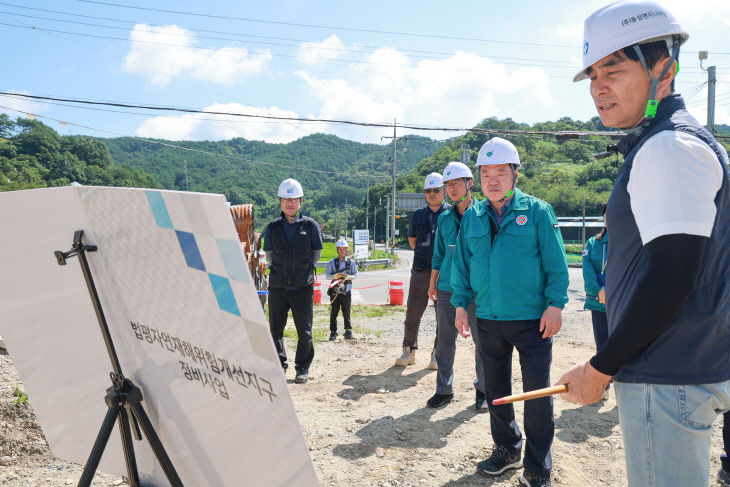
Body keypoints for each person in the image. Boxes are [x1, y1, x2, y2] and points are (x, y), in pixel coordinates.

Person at [557, 2, 730, 486]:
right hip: (681, 364)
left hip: (665, 373)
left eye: (614, 67)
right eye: (592, 73)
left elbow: (673, 275)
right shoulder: (676, 143)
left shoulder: (669, 147)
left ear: (665, 70)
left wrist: (600, 366)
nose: (598, 87)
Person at [451, 137, 569, 487]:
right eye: (486, 173)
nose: (493, 180)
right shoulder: (471, 217)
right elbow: (462, 265)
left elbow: (556, 265)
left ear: (515, 174)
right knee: (496, 390)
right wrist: (460, 304)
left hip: (533, 320)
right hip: (488, 319)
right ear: (479, 178)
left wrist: (555, 304)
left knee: (536, 394)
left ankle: (537, 465)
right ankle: (507, 449)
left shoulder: (536, 211)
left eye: (501, 172)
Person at [425, 161, 486, 410]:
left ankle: (483, 389)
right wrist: (433, 284)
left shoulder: (485, 214)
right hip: (448, 287)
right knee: (445, 342)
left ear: (469, 184)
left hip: (477, 289)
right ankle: (444, 389)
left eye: (455, 183)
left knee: (482, 342)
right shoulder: (445, 219)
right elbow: (438, 254)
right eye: (447, 185)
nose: (451, 189)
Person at [264, 178, 323, 384]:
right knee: (275, 329)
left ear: (301, 201)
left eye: (294, 199)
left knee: (304, 330)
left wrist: (301, 271)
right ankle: (279, 365)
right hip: (278, 285)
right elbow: (269, 254)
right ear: (280, 202)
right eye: (285, 199)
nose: (289, 203)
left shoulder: (310, 225)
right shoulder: (272, 227)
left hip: (302, 287)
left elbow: (316, 253)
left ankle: (302, 367)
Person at [395, 173, 451, 368]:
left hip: (445, 272)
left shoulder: (452, 214)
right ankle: (408, 350)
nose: (432, 194)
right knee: (412, 312)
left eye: (436, 190)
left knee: (442, 315)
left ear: (444, 190)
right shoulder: (417, 214)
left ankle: (437, 353)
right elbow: (413, 241)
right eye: (429, 191)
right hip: (420, 270)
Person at [581, 204, 609, 400]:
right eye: (607, 215)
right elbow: (587, 269)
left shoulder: (630, 242)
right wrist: (597, 290)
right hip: (598, 303)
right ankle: (604, 387)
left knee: (628, 346)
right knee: (603, 345)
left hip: (622, 303)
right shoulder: (593, 243)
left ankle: (625, 389)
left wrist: (611, 290)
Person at [325, 239, 358, 341]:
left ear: (346, 250)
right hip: (335, 291)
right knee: (334, 312)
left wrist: (348, 277)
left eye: (343, 249)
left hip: (346, 291)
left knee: (346, 311)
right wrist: (334, 276)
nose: (341, 251)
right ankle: (333, 332)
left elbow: (355, 275)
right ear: (337, 250)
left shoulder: (350, 263)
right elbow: (327, 276)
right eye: (339, 249)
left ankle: (348, 331)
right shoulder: (332, 262)